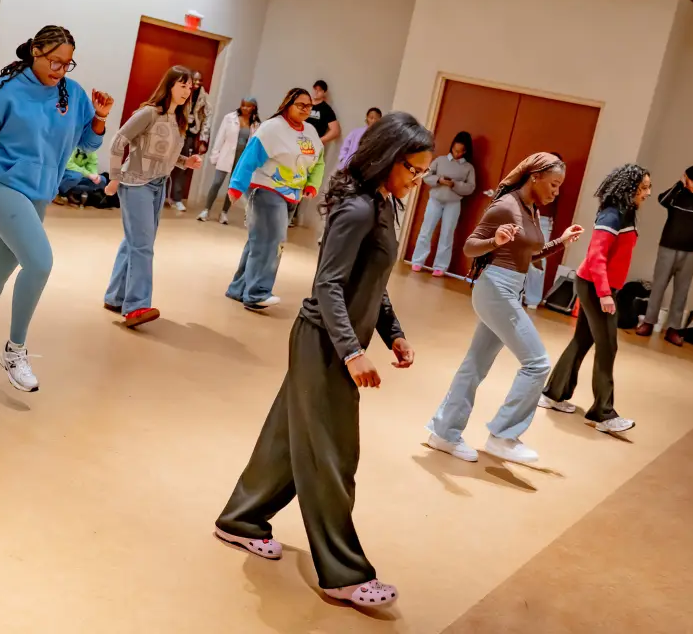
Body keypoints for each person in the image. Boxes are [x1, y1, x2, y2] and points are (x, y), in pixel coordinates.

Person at [214, 112, 433, 609]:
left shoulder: (384, 203)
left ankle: (240, 520)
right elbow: (328, 286)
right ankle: (342, 573)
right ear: (388, 159)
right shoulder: (357, 209)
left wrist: (394, 333)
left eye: (422, 172)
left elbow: (372, 283)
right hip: (323, 344)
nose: (417, 180)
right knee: (332, 457)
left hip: (334, 343)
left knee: (287, 441)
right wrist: (353, 352)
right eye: (413, 169)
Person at [0, 26, 114, 391]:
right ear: (35, 50)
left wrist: (99, 117)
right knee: (39, 263)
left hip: (38, 192)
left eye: (67, 64)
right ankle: (15, 350)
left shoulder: (73, 93)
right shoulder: (4, 90)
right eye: (54, 61)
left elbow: (86, 144)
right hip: (0, 183)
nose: (60, 70)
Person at [427, 153, 583, 464]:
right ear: (535, 177)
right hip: (496, 288)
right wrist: (494, 242)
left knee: (475, 365)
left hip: (510, 288)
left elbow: (529, 253)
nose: (556, 192)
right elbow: (469, 247)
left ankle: (443, 433)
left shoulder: (531, 209)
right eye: (553, 184)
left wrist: (561, 242)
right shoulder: (506, 206)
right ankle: (504, 436)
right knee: (537, 363)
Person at [541, 164, 652, 434]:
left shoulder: (627, 213)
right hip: (594, 286)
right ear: (629, 187)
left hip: (600, 285)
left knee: (582, 340)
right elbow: (596, 256)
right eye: (643, 187)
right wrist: (604, 294)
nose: (648, 193)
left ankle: (553, 393)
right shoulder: (612, 215)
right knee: (607, 346)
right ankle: (603, 413)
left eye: (648, 187)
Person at [103, 66, 203, 327]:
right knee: (143, 246)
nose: (187, 91)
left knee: (134, 242)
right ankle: (136, 306)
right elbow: (118, 141)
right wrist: (114, 177)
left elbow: (165, 153)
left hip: (159, 185)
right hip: (136, 183)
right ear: (169, 85)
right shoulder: (148, 113)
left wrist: (185, 162)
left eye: (190, 87)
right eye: (182, 85)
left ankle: (115, 297)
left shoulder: (178, 119)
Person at [225, 88, 325, 311]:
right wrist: (236, 186)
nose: (305, 109)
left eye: (309, 106)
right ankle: (257, 293)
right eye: (300, 105)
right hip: (266, 189)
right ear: (288, 104)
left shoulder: (310, 131)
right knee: (272, 241)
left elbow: (319, 161)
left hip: (293, 194)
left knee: (259, 241)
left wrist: (312, 184)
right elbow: (249, 157)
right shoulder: (272, 128)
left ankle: (238, 289)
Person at [635, 165, 693, 345]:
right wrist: (679, 184)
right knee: (658, 286)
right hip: (668, 247)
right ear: (686, 178)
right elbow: (662, 200)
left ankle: (673, 328)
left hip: (691, 251)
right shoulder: (676, 196)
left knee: (682, 291)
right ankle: (648, 322)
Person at [410, 131, 476, 278]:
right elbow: (425, 175)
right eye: (455, 149)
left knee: (447, 234)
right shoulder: (440, 160)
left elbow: (471, 188)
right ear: (451, 147)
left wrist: (454, 184)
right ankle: (417, 261)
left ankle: (440, 266)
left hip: (453, 203)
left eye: (460, 151)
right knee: (426, 230)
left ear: (465, 151)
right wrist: (439, 180)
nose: (457, 153)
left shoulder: (468, 168)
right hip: (435, 200)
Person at [198, 97, 260, 224]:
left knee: (233, 187)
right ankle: (206, 210)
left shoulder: (256, 124)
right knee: (216, 183)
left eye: (248, 106)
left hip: (242, 159)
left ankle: (224, 212)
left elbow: (254, 145)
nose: (245, 108)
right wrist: (215, 155)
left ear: (253, 107)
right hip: (226, 155)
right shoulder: (229, 118)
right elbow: (220, 137)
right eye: (243, 105)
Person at [289, 79, 340, 228]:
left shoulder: (326, 110)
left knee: (301, 179)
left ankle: (292, 215)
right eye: (315, 89)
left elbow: (335, 131)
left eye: (320, 90)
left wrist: (319, 141)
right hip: (295, 145)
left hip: (310, 150)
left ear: (324, 92)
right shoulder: (306, 105)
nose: (316, 92)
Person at [168, 70, 212, 212]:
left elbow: (207, 119)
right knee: (166, 160)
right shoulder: (181, 92)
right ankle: (162, 195)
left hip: (190, 134)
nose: (197, 83)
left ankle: (177, 198)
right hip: (175, 131)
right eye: (195, 80)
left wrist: (204, 140)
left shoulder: (204, 98)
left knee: (183, 166)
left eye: (200, 80)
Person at [523, 151, 563, 309]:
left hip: (544, 220)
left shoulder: (556, 184)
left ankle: (533, 298)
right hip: (527, 216)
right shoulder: (534, 177)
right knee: (520, 254)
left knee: (539, 258)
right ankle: (517, 293)